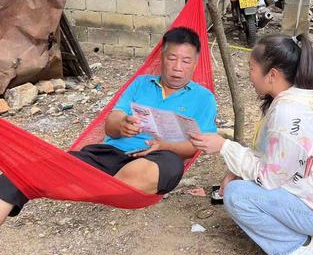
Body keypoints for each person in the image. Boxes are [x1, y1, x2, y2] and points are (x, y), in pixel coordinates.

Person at [0, 27, 217, 225]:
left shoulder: (204, 98)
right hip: (106, 155)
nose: (178, 67)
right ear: (162, 58)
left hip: (158, 159)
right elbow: (111, 124)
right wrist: (122, 124)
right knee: (16, 176)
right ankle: (97, 183)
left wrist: (164, 146)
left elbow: (195, 147)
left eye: (186, 61)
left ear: (196, 63)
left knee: (168, 165)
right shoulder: (141, 83)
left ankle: (99, 185)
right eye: (172, 58)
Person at [190, 33, 313, 255]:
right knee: (237, 183)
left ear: (272, 75)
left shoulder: (288, 113)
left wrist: (224, 147)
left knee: (238, 195)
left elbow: (269, 178)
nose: (248, 74)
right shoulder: (307, 95)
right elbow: (268, 151)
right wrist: (234, 170)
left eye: (251, 68)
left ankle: (296, 248)